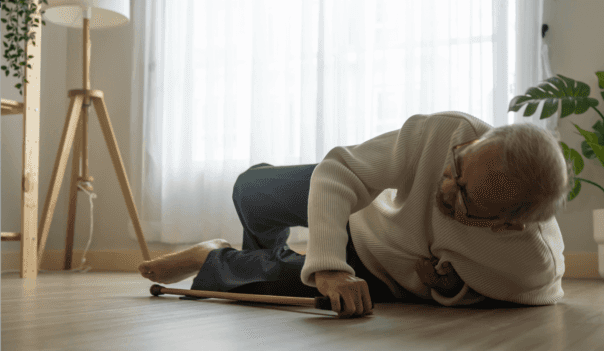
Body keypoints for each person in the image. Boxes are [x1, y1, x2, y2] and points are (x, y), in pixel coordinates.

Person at [139, 111, 575, 318]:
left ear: (508, 223)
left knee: (262, 290)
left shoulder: (531, 266)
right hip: (364, 216)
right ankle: (262, 262)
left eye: (465, 197)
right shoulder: (450, 132)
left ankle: (215, 256)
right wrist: (328, 265)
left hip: (380, 279)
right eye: (457, 164)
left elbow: (516, 291)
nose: (447, 186)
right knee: (249, 192)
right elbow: (339, 171)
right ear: (483, 139)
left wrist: (453, 286)